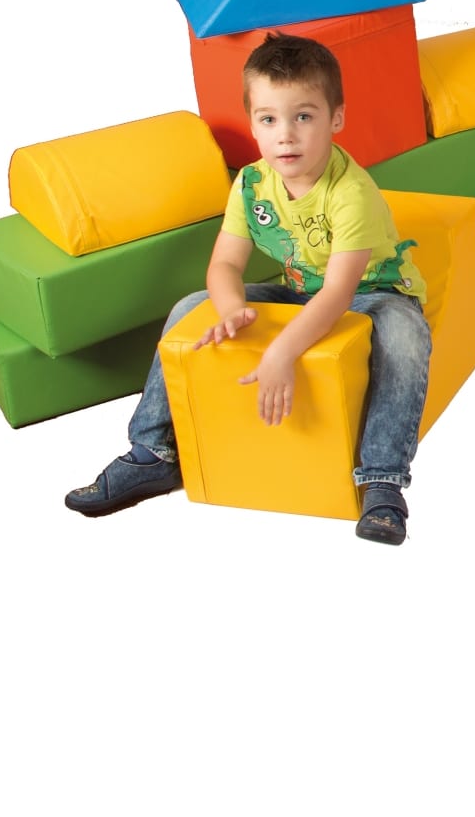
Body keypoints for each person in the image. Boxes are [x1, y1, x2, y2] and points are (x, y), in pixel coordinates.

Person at [64, 32, 433, 545]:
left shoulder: (351, 192)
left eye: (303, 116)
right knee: (190, 307)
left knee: (405, 336)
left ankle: (382, 480)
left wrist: (281, 351)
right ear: (253, 124)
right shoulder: (252, 184)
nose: (286, 136)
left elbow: (337, 294)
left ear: (336, 119)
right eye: (269, 119)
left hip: (373, 294)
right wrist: (232, 307)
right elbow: (224, 264)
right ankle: (153, 453)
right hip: (299, 289)